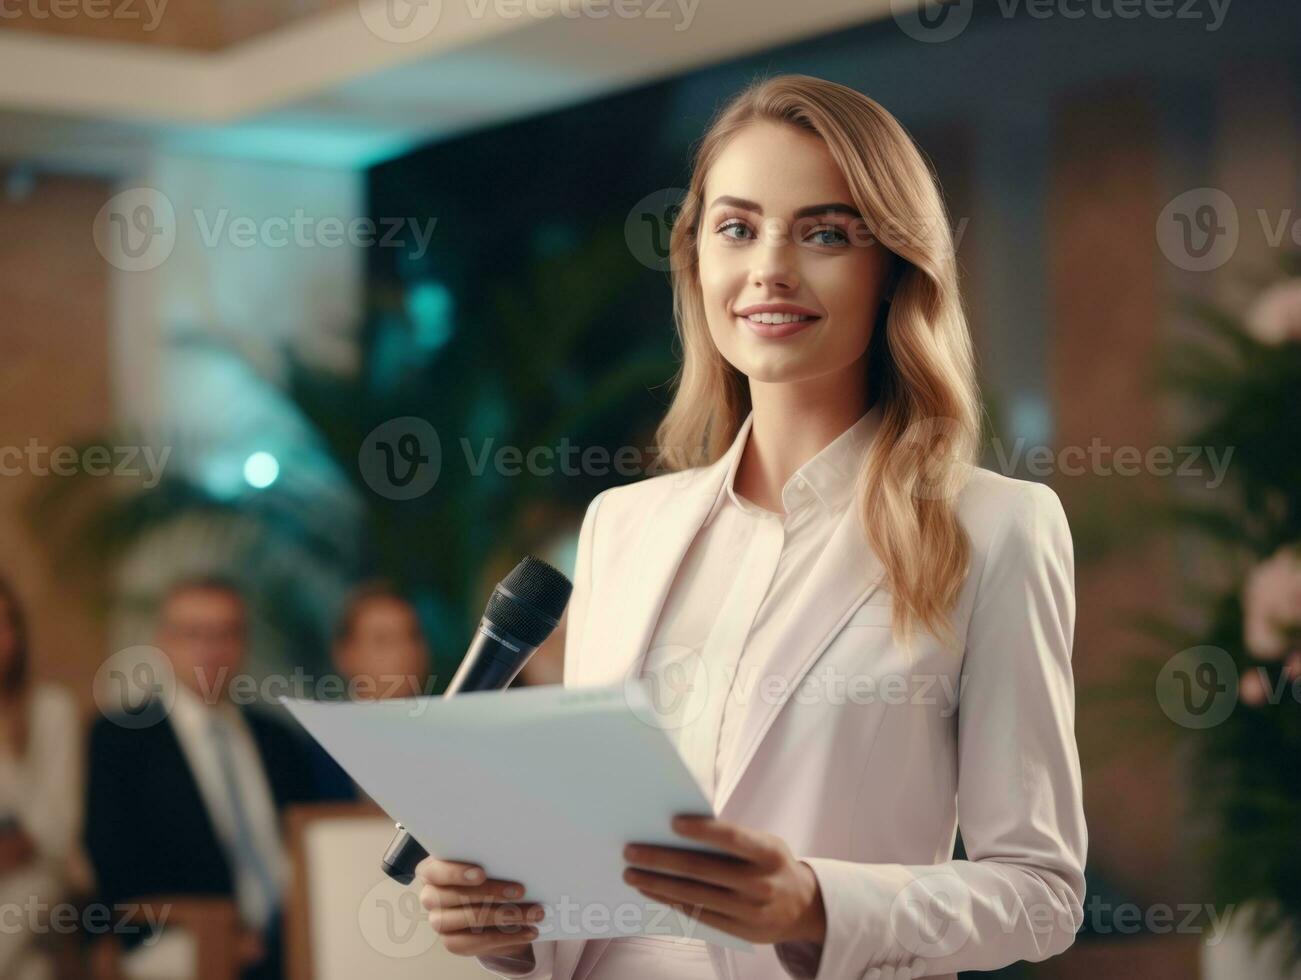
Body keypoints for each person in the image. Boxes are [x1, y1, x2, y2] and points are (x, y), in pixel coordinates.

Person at [415, 74, 1087, 980]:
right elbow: (592, 887)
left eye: (823, 232)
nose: (770, 266)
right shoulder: (623, 525)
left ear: (893, 265)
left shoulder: (997, 526)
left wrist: (811, 904)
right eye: (737, 227)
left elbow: (1039, 896)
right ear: (697, 260)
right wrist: (508, 928)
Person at [84, 575, 318, 980]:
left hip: (293, 929)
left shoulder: (277, 738)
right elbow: (114, 864)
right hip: (181, 934)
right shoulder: (122, 739)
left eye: (226, 633)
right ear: (163, 643)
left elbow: (306, 841)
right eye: (194, 633)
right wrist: (224, 930)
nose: (211, 649)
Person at [0, 574, 85, 980]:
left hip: (39, 877)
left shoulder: (51, 711)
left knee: (28, 891)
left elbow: (56, 828)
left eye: (4, 623)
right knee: (31, 971)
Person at [308, 581, 432, 802]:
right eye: (383, 640)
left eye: (412, 637)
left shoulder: (446, 739)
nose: (404, 652)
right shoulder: (315, 750)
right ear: (346, 654)